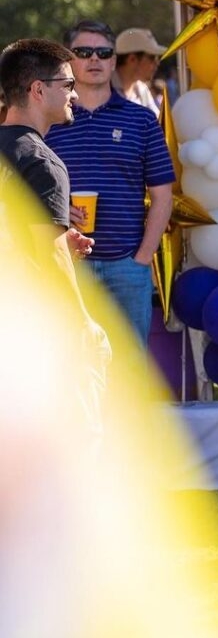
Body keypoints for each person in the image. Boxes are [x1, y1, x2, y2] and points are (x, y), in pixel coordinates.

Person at [0, 38, 110, 442]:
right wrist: (81, 323)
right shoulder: (42, 162)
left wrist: (61, 238)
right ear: (37, 90)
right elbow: (50, 257)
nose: (74, 94)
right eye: (66, 84)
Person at [47, 20, 175, 347]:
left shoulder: (142, 120)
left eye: (103, 52)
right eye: (83, 52)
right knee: (73, 364)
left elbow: (163, 196)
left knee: (130, 369)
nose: (94, 59)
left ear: (113, 61)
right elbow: (27, 190)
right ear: (68, 61)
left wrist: (143, 258)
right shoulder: (49, 121)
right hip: (69, 266)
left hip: (128, 267)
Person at [113, 27, 165, 115]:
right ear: (132, 59)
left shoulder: (142, 90)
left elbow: (157, 125)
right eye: (152, 58)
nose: (157, 63)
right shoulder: (100, 90)